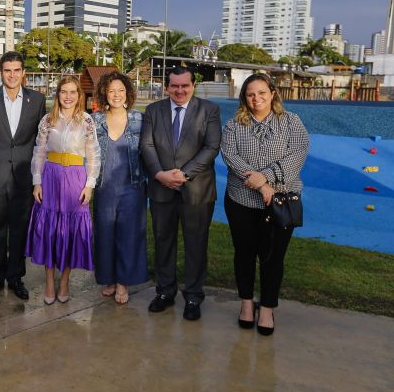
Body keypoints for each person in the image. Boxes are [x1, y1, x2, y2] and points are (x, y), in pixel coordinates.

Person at [220, 73, 309, 335]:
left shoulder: (291, 122)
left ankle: (267, 307)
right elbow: (229, 155)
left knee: (273, 257)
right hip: (241, 201)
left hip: (280, 201)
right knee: (244, 254)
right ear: (244, 98)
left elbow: (299, 152)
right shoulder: (235, 124)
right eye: (250, 94)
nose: (256, 98)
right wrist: (260, 184)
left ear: (272, 93)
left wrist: (267, 177)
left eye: (261, 93)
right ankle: (247, 303)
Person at [140, 66, 221, 321]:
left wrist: (183, 175)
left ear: (193, 85)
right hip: (161, 189)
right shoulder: (153, 111)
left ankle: (194, 296)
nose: (179, 90)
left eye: (184, 85)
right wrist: (160, 174)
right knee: (163, 242)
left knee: (196, 245)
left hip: (196, 191)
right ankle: (165, 292)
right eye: (174, 86)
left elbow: (211, 147)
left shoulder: (209, 110)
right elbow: (147, 144)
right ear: (166, 87)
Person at [0, 51, 45, 300]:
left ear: (23, 73)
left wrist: (38, 177)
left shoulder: (37, 100)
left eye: (16, 70)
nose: (12, 75)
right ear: (1, 72)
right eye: (7, 70)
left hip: (23, 177)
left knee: (19, 229)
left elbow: (40, 141)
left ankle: (16, 277)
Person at [26, 76, 99, 304]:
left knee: (69, 231)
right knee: (50, 229)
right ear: (57, 94)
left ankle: (64, 281)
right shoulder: (48, 120)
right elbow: (39, 151)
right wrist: (37, 181)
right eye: (63, 92)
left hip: (76, 179)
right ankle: (49, 281)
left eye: (72, 92)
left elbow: (94, 155)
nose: (68, 97)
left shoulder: (87, 121)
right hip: (51, 177)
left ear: (79, 96)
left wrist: (90, 185)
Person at [91, 71, 148, 305]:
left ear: (128, 94)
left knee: (128, 235)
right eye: (112, 90)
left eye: (121, 90)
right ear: (104, 92)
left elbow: (151, 150)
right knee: (104, 234)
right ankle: (109, 279)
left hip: (132, 187)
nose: (116, 94)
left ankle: (123, 282)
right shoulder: (95, 120)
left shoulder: (139, 120)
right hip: (104, 187)